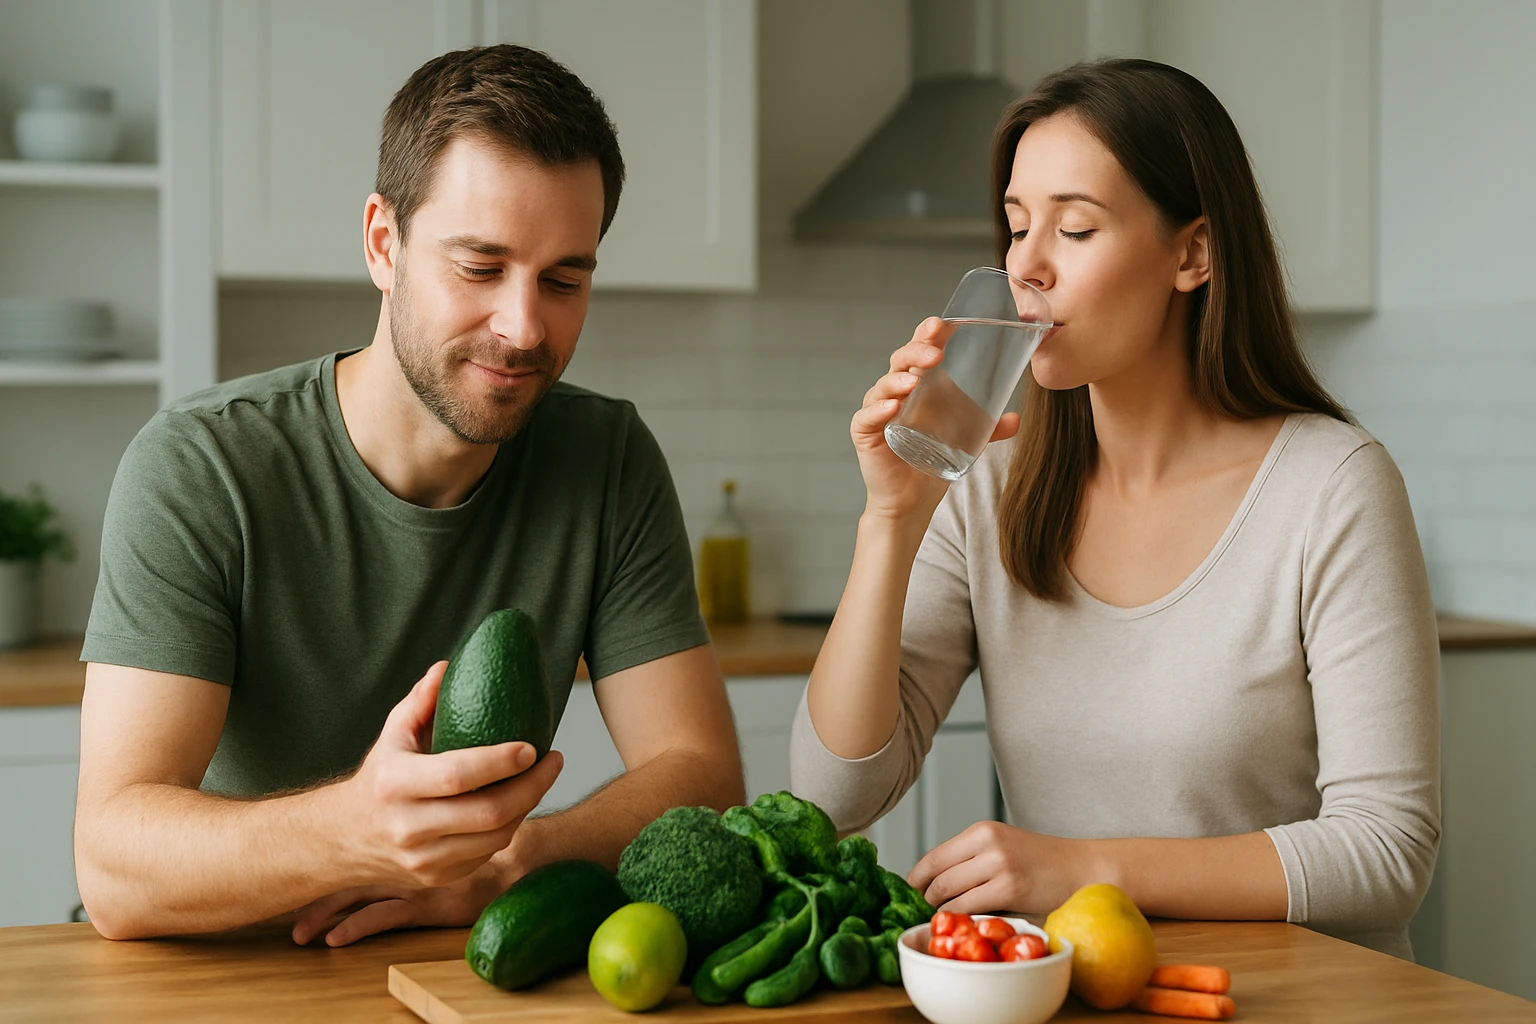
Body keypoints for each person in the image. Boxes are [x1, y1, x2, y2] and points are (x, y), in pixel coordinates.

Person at [74, 44, 744, 945]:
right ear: (383, 243)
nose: (522, 326)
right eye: (479, 267)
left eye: (564, 281)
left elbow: (700, 773)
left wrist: (506, 865)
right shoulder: (203, 467)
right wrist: (356, 832)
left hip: (456, 963)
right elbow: (114, 870)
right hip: (216, 968)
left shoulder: (606, 458)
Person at [791, 58, 1439, 959]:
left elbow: (1387, 851)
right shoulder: (989, 483)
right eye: (1017, 229)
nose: (1028, 266)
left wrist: (1088, 870)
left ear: (1192, 253)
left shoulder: (1334, 486)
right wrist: (890, 520)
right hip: (1085, 998)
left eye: (1076, 227)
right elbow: (832, 795)